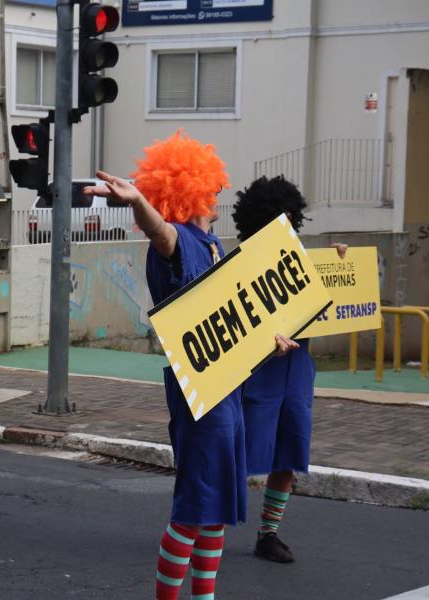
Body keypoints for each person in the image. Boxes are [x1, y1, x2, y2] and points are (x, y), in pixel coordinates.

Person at [85, 131, 298, 600]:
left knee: (215, 511)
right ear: (190, 190)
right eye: (212, 184)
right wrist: (139, 202)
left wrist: (270, 343)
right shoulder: (179, 238)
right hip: (201, 393)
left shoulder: (213, 244)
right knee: (193, 511)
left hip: (228, 389)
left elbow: (231, 324)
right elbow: (161, 234)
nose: (219, 190)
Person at [232, 175, 346, 563]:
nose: (287, 225)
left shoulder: (303, 259)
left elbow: (335, 298)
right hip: (257, 373)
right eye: (279, 219)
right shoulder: (240, 265)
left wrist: (341, 262)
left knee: (288, 453)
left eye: (290, 218)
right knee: (236, 453)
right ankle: (204, 523)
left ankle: (268, 534)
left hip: (296, 371)